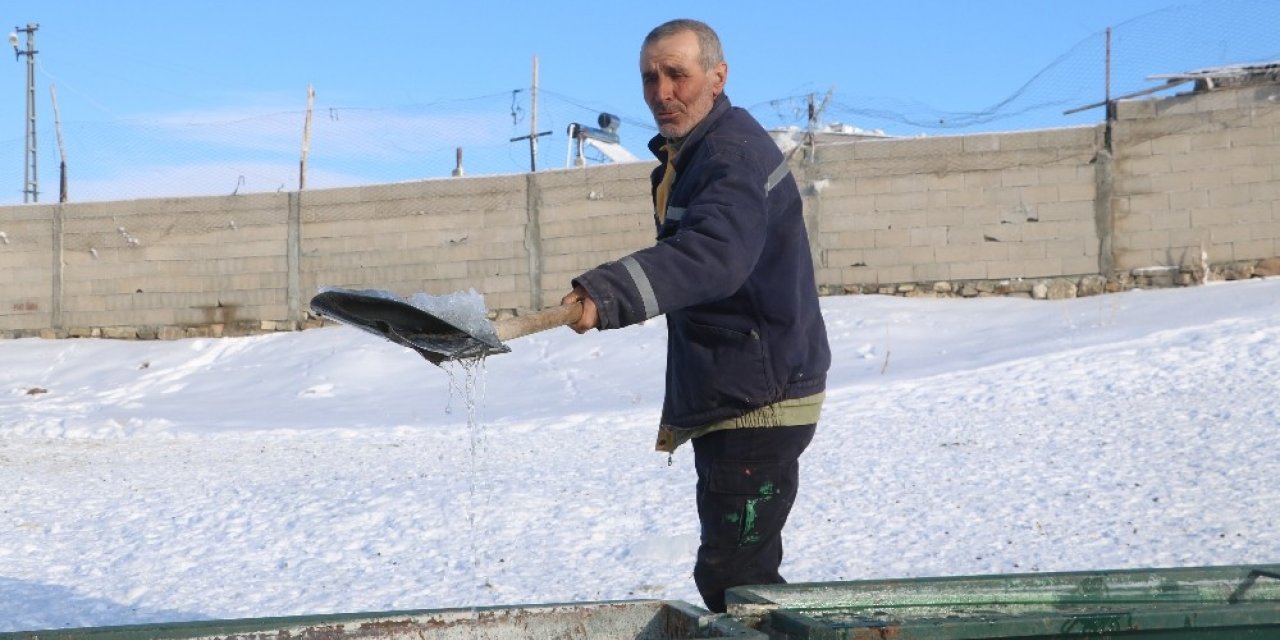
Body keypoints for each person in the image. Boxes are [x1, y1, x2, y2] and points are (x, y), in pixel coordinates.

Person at [560, 18, 831, 613]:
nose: (662, 93)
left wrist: (608, 294)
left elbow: (713, 256)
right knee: (740, 575)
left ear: (717, 76)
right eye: (650, 78)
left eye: (677, 75)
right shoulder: (699, 153)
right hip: (745, 385)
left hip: (758, 400)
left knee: (738, 582)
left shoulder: (730, 155)